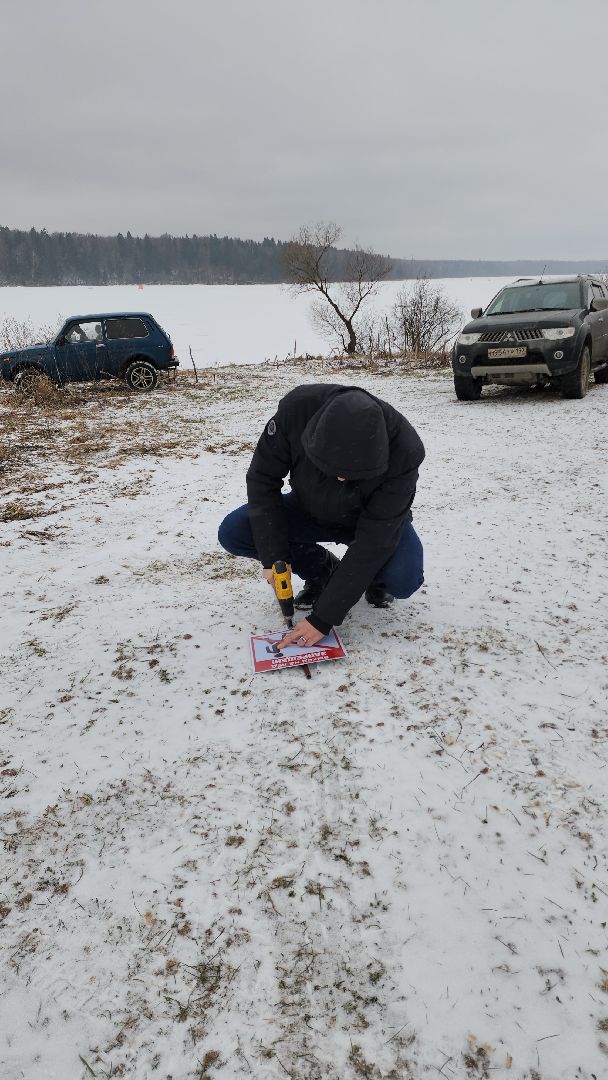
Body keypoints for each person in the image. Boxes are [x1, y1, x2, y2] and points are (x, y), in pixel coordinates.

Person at [218, 383, 425, 648]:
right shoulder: (297, 411)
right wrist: (273, 555)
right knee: (236, 531)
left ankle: (375, 578)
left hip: (373, 520)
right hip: (309, 508)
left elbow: (376, 539)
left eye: (354, 472)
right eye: (334, 469)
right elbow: (262, 479)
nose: (341, 478)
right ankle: (322, 570)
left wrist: (323, 618)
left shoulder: (405, 449)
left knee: (404, 578)